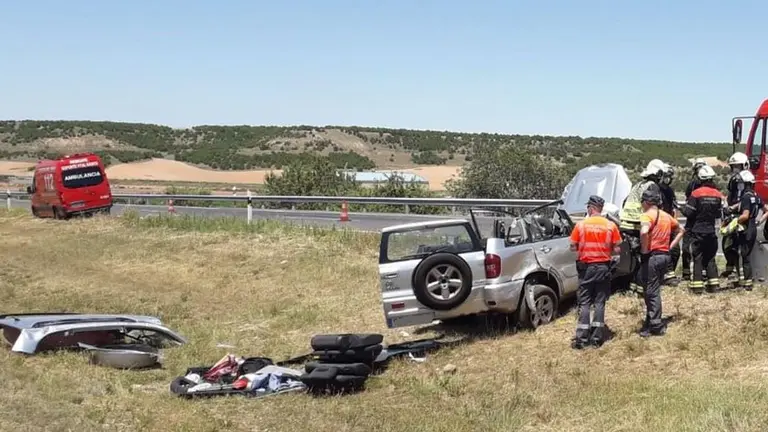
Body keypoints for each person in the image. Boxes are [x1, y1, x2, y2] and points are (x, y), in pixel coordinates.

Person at [569, 195, 622, 349]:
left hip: (586, 268)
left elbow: (572, 247)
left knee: (585, 302)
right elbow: (617, 249)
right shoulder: (610, 226)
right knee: (599, 302)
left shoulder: (581, 225)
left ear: (591, 208)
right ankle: (597, 338)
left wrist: (583, 248)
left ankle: (582, 339)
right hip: (604, 267)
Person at [638, 189, 684, 337]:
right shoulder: (666, 216)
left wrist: (644, 250)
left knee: (651, 291)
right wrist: (670, 246)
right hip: (664, 256)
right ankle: (651, 319)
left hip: (653, 256)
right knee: (654, 288)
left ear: (646, 202)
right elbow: (681, 230)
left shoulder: (647, 215)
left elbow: (644, 232)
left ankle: (655, 324)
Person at [682, 165, 724, 294]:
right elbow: (718, 214)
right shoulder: (718, 194)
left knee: (698, 258)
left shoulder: (696, 193)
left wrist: (680, 208)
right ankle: (714, 286)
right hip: (711, 231)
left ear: (700, 179)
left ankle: (697, 288)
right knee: (710, 258)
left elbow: (689, 213)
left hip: (698, 231)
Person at [730, 170, 768, 290]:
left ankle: (747, 283)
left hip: (746, 227)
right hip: (753, 227)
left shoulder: (746, 197)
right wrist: (758, 221)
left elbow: (745, 215)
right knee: (747, 253)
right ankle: (748, 279)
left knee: (745, 255)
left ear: (746, 184)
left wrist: (734, 221)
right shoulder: (756, 196)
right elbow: (766, 210)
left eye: (741, 183)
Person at [722, 152, 750, 280]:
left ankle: (741, 274)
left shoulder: (748, 180)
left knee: (740, 245)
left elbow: (747, 198)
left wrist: (735, 207)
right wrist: (726, 205)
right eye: (733, 166)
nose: (735, 169)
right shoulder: (733, 180)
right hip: (732, 214)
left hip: (742, 214)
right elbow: (730, 194)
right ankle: (730, 268)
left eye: (738, 166)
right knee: (727, 242)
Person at [619, 159, 665, 233]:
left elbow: (625, 202)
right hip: (637, 228)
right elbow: (652, 209)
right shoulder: (652, 186)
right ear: (659, 174)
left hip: (624, 225)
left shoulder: (637, 185)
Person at [680, 159, 707, 282]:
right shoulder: (692, 184)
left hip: (699, 220)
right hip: (693, 219)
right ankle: (687, 272)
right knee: (687, 247)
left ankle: (701, 271)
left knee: (700, 248)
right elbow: (688, 199)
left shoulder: (707, 185)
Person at [659, 163, 681, 284]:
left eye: (670, 176)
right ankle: (665, 275)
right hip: (659, 224)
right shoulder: (656, 189)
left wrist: (675, 223)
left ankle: (669, 273)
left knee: (675, 250)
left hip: (669, 223)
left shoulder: (669, 191)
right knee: (662, 250)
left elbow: (674, 207)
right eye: (666, 176)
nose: (668, 179)